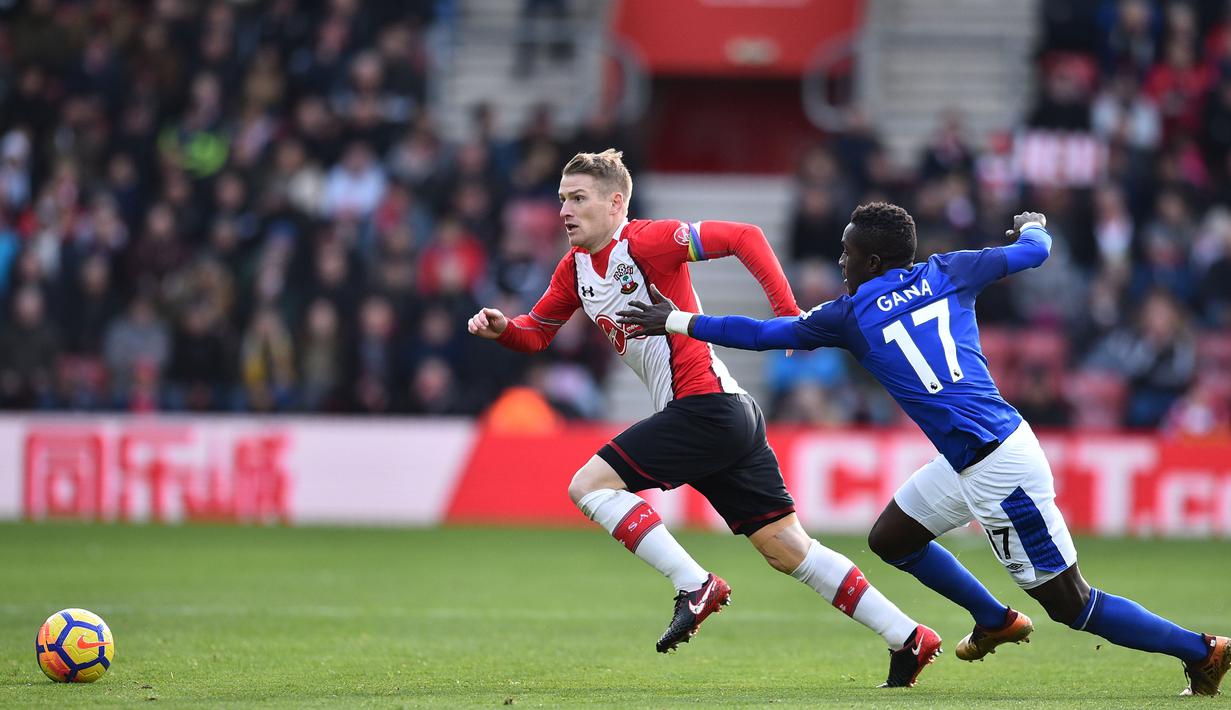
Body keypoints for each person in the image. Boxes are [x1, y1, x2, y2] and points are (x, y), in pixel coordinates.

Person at [617, 202, 1231, 696]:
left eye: (848, 252)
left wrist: (677, 320)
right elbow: (1035, 252)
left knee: (1072, 604)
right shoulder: (950, 269)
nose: (841, 260)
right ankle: (994, 619)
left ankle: (1202, 651)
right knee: (892, 538)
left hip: (999, 469)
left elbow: (764, 333)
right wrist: (1035, 226)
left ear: (873, 259)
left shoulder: (849, 314)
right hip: (978, 452)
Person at [468, 152, 942, 687]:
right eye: (562, 200)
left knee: (589, 486)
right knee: (789, 550)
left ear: (615, 202)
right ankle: (909, 636)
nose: (565, 212)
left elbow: (745, 236)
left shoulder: (646, 241)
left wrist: (787, 314)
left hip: (707, 407)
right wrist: (503, 327)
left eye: (578, 199)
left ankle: (694, 584)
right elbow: (537, 330)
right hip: (728, 412)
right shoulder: (574, 268)